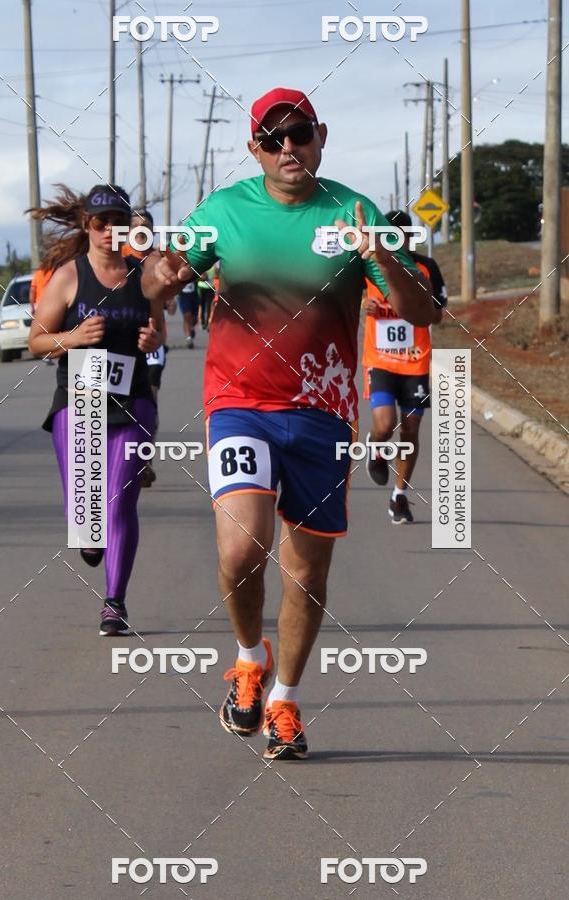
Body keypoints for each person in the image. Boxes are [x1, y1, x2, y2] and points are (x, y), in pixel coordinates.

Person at [142, 87, 436, 759]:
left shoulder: (354, 211)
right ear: (255, 149)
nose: (288, 148)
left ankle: (285, 701)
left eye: (298, 133)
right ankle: (250, 658)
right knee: (241, 550)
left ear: (320, 135)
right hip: (240, 404)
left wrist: (381, 258)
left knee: (307, 573)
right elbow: (158, 281)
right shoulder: (223, 211)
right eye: (272, 139)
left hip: (322, 414)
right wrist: (163, 274)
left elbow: (422, 312)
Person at [28, 184, 163, 635]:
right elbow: (36, 342)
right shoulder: (69, 277)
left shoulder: (144, 276)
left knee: (119, 500)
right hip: (79, 400)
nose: (109, 231)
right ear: (88, 225)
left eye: (118, 224)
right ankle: (89, 537)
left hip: (133, 401)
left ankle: (114, 603)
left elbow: (158, 331)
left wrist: (153, 339)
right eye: (101, 223)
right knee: (86, 514)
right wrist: (74, 338)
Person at [362, 209, 447, 523]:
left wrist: (417, 307)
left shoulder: (426, 267)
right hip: (381, 360)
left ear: (409, 237)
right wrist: (364, 305)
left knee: (410, 429)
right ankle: (376, 447)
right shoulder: (369, 265)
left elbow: (438, 315)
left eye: (400, 235)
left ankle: (399, 495)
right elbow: (349, 298)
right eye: (388, 235)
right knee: (385, 425)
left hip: (415, 363)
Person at [123, 209, 175, 487]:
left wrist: (170, 296)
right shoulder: (119, 258)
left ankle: (145, 459)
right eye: (135, 226)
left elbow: (171, 296)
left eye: (146, 227)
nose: (141, 231)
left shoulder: (159, 259)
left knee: (149, 397)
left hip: (152, 337)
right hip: (122, 341)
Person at [178, 279, 200, 348]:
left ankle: (191, 328)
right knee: (187, 316)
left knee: (194, 319)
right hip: (183, 296)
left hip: (194, 295)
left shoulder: (194, 272)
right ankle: (189, 339)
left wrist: (201, 277)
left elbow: (203, 277)